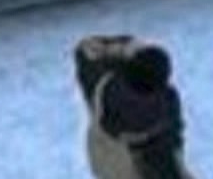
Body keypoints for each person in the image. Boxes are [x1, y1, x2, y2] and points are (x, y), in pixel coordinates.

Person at [75, 35, 196, 179]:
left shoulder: (108, 90)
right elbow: (173, 144)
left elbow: (86, 50)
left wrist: (125, 50)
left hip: (108, 155)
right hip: (131, 158)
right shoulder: (166, 102)